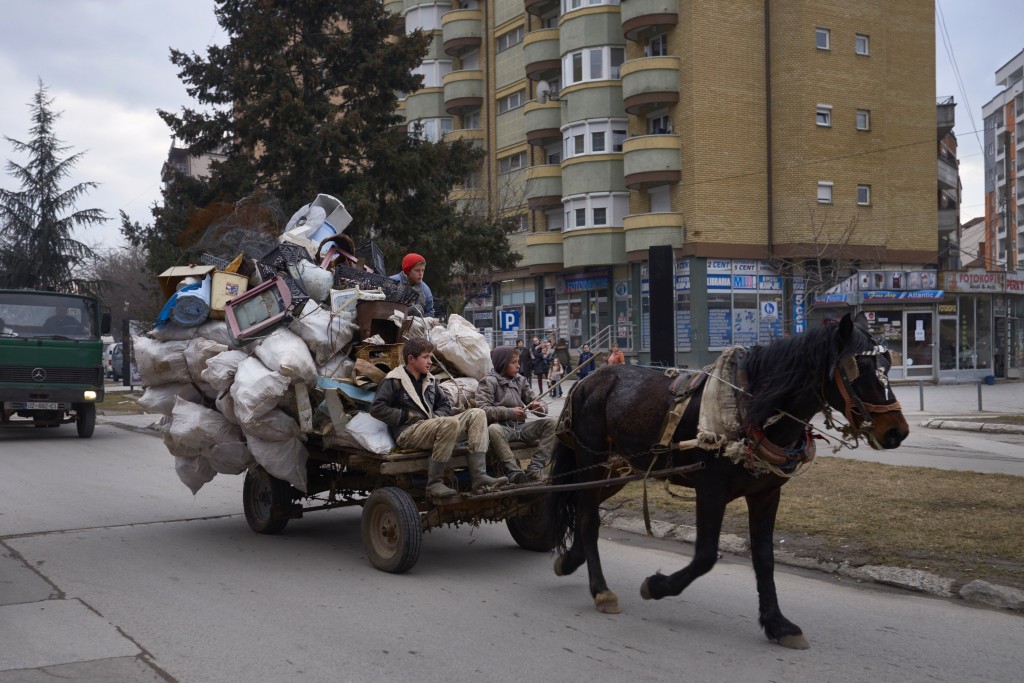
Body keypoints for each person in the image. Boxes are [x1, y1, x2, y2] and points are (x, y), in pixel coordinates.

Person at [370, 337, 506, 497]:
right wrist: (406, 415)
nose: (430, 362)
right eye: (425, 357)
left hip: (432, 426)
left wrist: (437, 417)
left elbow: (445, 405)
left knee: (477, 413)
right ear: (411, 359)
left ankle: (479, 477)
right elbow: (377, 408)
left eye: (430, 357)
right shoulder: (394, 381)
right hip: (408, 432)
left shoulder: (430, 380)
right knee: (449, 423)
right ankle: (434, 484)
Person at [476, 346, 557, 483]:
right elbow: (482, 409)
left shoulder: (520, 380)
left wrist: (539, 407)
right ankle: (514, 471)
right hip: (502, 429)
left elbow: (537, 400)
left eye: (518, 361)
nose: (518, 366)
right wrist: (509, 412)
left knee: (553, 423)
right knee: (493, 429)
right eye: (513, 362)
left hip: (521, 428)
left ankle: (535, 468)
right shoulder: (489, 381)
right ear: (502, 363)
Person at [389, 253, 435, 317]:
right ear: (407, 271)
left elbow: (430, 313)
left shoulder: (425, 290)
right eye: (417, 270)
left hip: (416, 324)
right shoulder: (392, 282)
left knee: (417, 310)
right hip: (390, 321)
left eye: (423, 270)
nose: (421, 274)